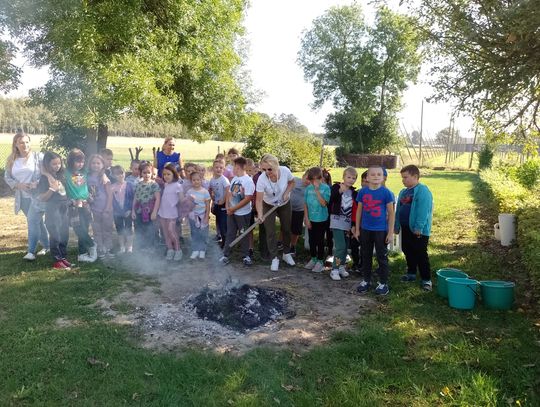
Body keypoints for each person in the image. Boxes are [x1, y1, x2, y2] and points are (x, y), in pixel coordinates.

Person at [4, 131, 49, 260]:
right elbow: (7, 176)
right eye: (21, 142)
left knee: (32, 221)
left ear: (30, 143)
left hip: (38, 197)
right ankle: (47, 246)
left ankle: (31, 251)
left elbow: (47, 173)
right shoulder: (11, 159)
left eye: (27, 142)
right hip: (22, 198)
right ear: (16, 144)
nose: (25, 145)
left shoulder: (38, 157)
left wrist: (38, 183)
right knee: (37, 222)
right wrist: (18, 185)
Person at [354, 165, 395, 295]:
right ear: (367, 177)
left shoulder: (386, 193)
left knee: (381, 257)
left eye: (379, 174)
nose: (376, 176)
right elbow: (359, 211)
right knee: (365, 255)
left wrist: (390, 232)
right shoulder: (362, 192)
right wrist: (357, 229)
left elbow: (391, 213)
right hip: (365, 229)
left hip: (381, 230)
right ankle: (366, 280)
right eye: (373, 174)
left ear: (383, 177)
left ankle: (383, 283)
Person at [394, 165, 434, 291]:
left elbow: (424, 210)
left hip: (418, 230)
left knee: (420, 253)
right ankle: (411, 273)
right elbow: (398, 210)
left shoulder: (422, 191)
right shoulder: (403, 192)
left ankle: (426, 279)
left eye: (405, 177)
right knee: (407, 250)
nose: (403, 180)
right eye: (402, 178)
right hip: (405, 228)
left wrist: (418, 227)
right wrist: (396, 225)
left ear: (415, 177)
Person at [255, 154, 296, 271]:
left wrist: (287, 192)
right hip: (268, 205)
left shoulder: (285, 171)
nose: (267, 172)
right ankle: (274, 258)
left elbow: (292, 182)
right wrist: (260, 214)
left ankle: (286, 254)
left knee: (287, 228)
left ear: (276, 166)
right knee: (270, 231)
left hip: (284, 203)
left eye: (269, 169)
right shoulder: (262, 179)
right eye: (264, 169)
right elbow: (258, 200)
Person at [37, 151, 71, 270]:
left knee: (64, 234)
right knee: (55, 234)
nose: (57, 166)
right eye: (54, 164)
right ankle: (57, 260)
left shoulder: (61, 174)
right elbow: (42, 197)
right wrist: (52, 189)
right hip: (52, 209)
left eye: (59, 163)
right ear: (47, 164)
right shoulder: (43, 179)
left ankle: (62, 257)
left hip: (64, 208)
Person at [219, 157, 256, 265]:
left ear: (240, 167)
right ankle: (226, 255)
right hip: (231, 212)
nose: (232, 168)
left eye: (234, 166)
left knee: (243, 233)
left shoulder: (248, 181)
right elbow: (230, 193)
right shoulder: (235, 179)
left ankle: (246, 256)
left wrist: (233, 209)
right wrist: (228, 207)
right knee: (230, 233)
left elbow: (247, 198)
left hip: (243, 214)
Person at [64, 148, 97, 262]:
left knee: (85, 228)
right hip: (74, 205)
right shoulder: (65, 173)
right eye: (77, 161)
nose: (80, 164)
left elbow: (99, 168)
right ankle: (92, 245)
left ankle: (82, 253)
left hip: (86, 204)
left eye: (82, 161)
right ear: (71, 161)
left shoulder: (85, 172)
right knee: (78, 229)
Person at [328, 167, 358, 281]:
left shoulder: (354, 193)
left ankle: (341, 266)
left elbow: (355, 209)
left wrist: (354, 224)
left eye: (353, 178)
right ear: (343, 177)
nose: (351, 180)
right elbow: (332, 200)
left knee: (345, 248)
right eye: (348, 177)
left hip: (348, 223)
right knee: (340, 246)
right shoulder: (336, 187)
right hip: (336, 221)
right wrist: (340, 190)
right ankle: (334, 269)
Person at [303, 167, 331, 273]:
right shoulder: (308, 189)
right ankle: (313, 258)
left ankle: (320, 261)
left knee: (319, 241)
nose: (314, 182)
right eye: (312, 180)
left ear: (321, 178)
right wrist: (306, 218)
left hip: (322, 219)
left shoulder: (326, 188)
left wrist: (317, 190)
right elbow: (305, 204)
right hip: (311, 219)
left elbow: (324, 203)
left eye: (316, 179)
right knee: (311, 241)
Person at [88, 154, 114, 259]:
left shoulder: (104, 177)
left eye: (98, 163)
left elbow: (110, 194)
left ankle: (108, 249)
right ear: (90, 164)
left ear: (103, 165)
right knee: (97, 230)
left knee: (107, 229)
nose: (95, 165)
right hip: (94, 209)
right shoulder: (87, 177)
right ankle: (100, 249)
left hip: (106, 208)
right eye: (93, 163)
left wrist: (107, 208)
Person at [132, 162, 161, 251]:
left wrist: (155, 212)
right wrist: (133, 210)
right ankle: (142, 247)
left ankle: (151, 247)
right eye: (144, 172)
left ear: (152, 173)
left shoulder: (154, 185)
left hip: (150, 211)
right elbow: (135, 198)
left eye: (149, 172)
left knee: (150, 230)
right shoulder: (138, 184)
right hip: (139, 211)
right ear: (140, 173)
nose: (147, 175)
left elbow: (158, 199)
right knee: (140, 229)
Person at [157, 163, 184, 261]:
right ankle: (170, 249)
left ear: (174, 174)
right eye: (164, 174)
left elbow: (182, 201)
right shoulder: (166, 184)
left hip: (172, 213)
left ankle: (178, 250)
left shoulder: (178, 186)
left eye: (168, 174)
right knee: (165, 233)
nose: (166, 176)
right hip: (162, 212)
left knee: (171, 231)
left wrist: (183, 212)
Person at [185, 171, 211, 259]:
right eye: (194, 180)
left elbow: (208, 205)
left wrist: (207, 216)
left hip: (203, 215)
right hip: (193, 216)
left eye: (198, 180)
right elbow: (187, 204)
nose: (196, 182)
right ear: (191, 181)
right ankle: (196, 249)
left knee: (203, 233)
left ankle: (202, 250)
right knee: (194, 233)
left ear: (201, 180)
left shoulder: (205, 192)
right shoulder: (189, 192)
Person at [111, 165, 135, 254]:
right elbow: (111, 200)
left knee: (129, 229)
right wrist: (115, 211)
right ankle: (122, 247)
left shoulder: (130, 185)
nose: (120, 176)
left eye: (122, 173)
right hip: (117, 213)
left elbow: (133, 199)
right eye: (117, 174)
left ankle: (129, 246)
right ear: (113, 175)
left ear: (124, 174)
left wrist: (130, 210)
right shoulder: (112, 187)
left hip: (128, 212)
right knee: (120, 230)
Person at [350, 170, 368, 272]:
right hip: (356, 225)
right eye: (363, 181)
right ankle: (355, 263)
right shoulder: (356, 194)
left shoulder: (373, 195)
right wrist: (353, 225)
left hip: (366, 226)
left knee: (364, 247)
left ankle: (362, 265)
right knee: (354, 246)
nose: (364, 184)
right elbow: (353, 211)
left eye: (367, 181)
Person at [209, 159, 230, 245]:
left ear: (224, 169)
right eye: (216, 167)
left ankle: (225, 243)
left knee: (223, 224)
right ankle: (220, 237)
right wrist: (212, 197)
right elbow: (210, 189)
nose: (218, 169)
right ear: (213, 168)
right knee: (218, 221)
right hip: (217, 203)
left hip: (224, 204)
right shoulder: (212, 179)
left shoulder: (224, 179)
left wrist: (224, 200)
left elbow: (228, 191)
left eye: (221, 168)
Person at [289, 171, 309, 256]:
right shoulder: (295, 180)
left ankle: (292, 246)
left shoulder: (310, 188)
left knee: (296, 230)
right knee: (285, 227)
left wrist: (306, 215)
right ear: (303, 176)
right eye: (307, 178)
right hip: (288, 208)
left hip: (300, 210)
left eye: (310, 179)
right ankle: (281, 243)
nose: (307, 181)